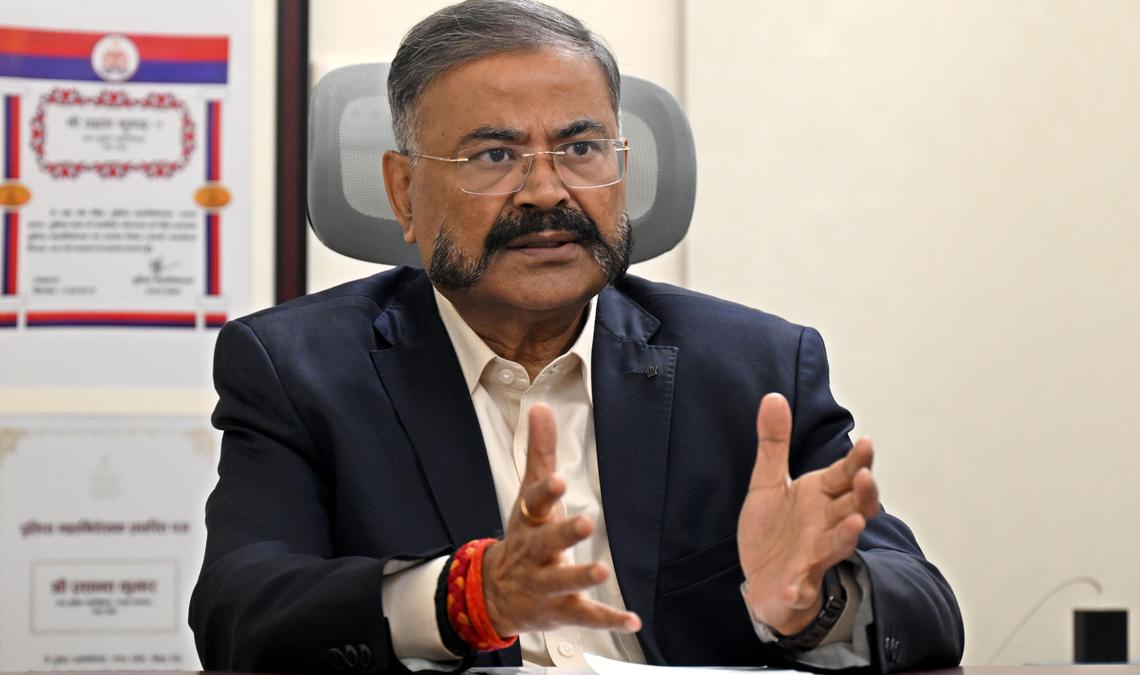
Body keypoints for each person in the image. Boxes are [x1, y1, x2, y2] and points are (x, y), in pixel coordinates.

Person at [188, 1, 964, 672]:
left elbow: (926, 608)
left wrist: (814, 603)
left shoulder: (754, 369)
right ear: (404, 192)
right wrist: (470, 597)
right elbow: (240, 610)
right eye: (494, 155)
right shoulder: (298, 371)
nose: (545, 190)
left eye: (581, 149)